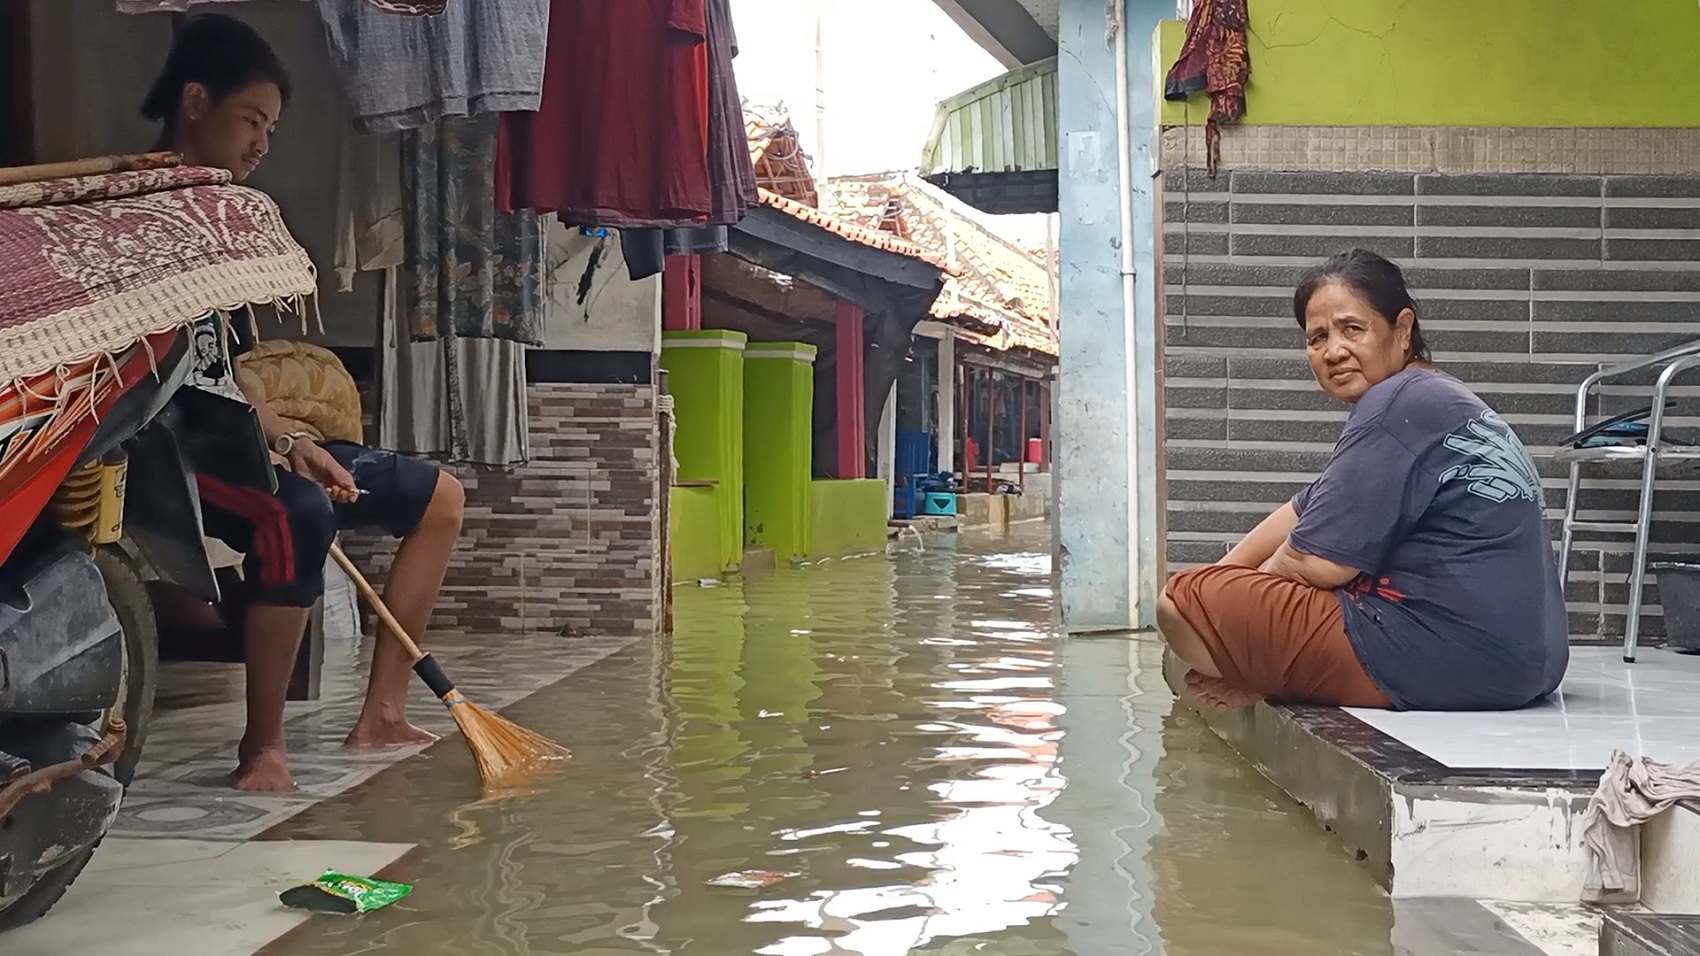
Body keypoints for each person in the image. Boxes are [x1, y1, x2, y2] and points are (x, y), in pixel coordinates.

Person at [142, 14, 466, 791]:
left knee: (440, 497)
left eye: (271, 128)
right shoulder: (144, 215)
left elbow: (234, 369)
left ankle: (382, 711)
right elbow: (174, 386)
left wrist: (290, 436)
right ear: (195, 100)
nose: (260, 142)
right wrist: (283, 451)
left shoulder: (226, 221)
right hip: (170, 453)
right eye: (250, 119)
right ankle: (263, 748)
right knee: (298, 513)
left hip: (248, 439)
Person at [1158, 249, 1568, 713]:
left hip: (1459, 658)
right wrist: (1235, 590)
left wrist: (1247, 646)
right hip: (1530, 663)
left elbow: (1315, 564)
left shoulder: (1396, 404)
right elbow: (1301, 510)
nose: (1334, 351)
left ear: (1403, 329)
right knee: (1215, 591)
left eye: (1353, 329)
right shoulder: (1435, 397)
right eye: (1317, 337)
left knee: (1182, 599)